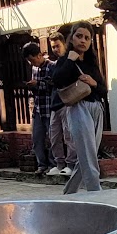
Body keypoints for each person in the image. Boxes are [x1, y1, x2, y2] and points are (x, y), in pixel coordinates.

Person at [50, 23, 107, 196]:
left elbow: (103, 90)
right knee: (88, 155)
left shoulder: (92, 63)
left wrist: (93, 82)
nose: (83, 40)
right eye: (79, 36)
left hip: (96, 108)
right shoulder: (65, 60)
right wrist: (70, 60)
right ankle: (96, 192)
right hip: (78, 107)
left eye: (87, 38)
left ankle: (69, 193)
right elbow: (57, 81)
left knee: (88, 154)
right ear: (72, 38)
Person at [23, 39, 57, 175]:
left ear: (39, 55)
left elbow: (53, 85)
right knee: (37, 138)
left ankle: (54, 164)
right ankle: (41, 164)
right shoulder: (34, 68)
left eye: (33, 60)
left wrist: (37, 84)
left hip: (50, 108)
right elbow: (37, 88)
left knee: (53, 138)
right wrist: (33, 86)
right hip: (38, 108)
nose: (32, 63)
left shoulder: (52, 66)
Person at [47, 31, 77, 178]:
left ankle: (70, 164)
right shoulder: (56, 63)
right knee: (54, 136)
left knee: (68, 135)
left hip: (66, 102)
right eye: (53, 47)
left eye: (57, 46)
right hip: (55, 104)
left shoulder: (69, 60)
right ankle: (59, 164)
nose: (55, 49)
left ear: (63, 44)